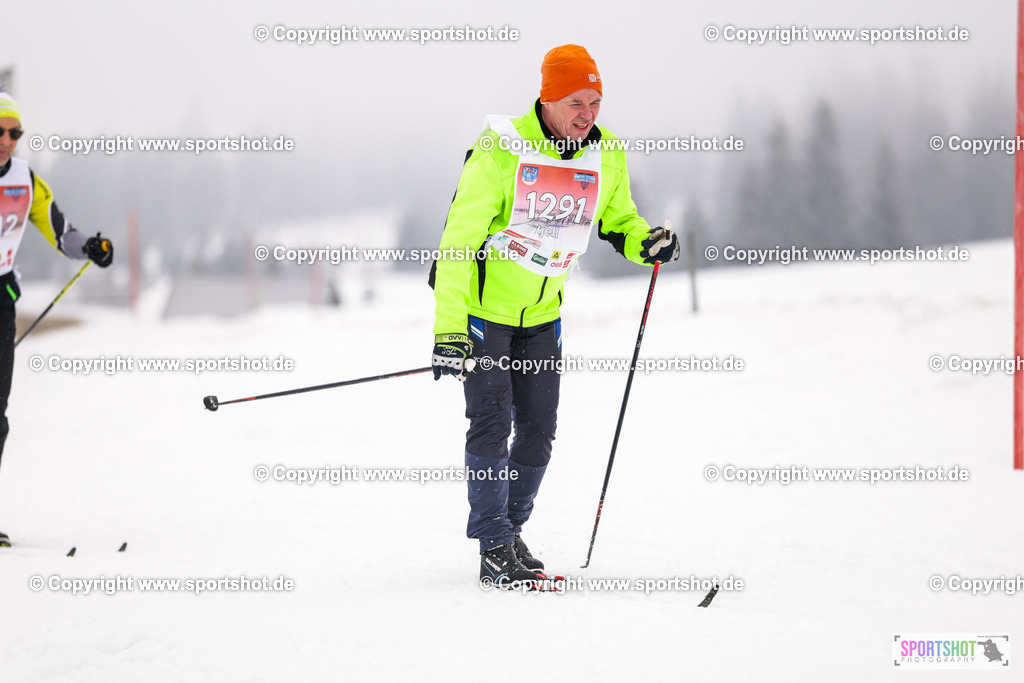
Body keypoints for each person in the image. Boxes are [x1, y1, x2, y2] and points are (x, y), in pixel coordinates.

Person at [429, 45, 679, 587]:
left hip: (543, 315)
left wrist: (647, 242)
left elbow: (619, 220)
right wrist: (449, 330)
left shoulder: (606, 153)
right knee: (493, 426)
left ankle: (512, 531)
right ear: (547, 97)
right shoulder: (500, 149)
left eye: (595, 101)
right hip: (483, 314)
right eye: (576, 102)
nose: (588, 113)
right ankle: (493, 543)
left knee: (539, 432)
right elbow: (457, 242)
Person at [0, 89, 114, 547]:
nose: (6, 139)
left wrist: (90, 247)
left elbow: (59, 229)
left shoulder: (26, 181)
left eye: (14, 133)